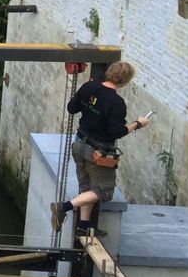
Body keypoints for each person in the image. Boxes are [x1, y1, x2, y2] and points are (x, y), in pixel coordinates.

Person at [51, 61, 150, 236]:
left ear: (109, 72)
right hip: (98, 151)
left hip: (79, 144)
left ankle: (83, 227)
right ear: (125, 81)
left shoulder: (89, 87)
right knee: (103, 192)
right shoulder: (117, 102)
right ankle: (63, 207)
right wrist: (137, 124)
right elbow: (117, 132)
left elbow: (71, 108)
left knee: (86, 187)